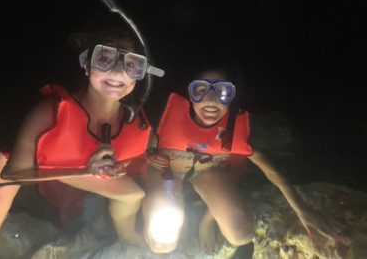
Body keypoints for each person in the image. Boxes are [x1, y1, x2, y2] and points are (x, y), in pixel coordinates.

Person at [0, 26, 162, 258]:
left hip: (72, 189)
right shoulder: (50, 111)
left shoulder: (137, 123)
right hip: (10, 171)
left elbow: (137, 176)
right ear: (86, 64)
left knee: (133, 194)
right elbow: (14, 173)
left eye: (130, 65)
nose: (118, 73)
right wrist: (82, 170)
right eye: (104, 59)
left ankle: (127, 235)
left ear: (142, 73)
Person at [144, 62, 340, 254]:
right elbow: (137, 140)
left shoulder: (234, 128)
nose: (211, 101)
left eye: (222, 92)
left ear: (232, 97)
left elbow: (269, 169)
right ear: (190, 93)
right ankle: (179, 210)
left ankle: (208, 218)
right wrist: (148, 155)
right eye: (201, 90)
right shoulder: (165, 111)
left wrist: (301, 209)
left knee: (241, 235)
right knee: (162, 244)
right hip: (167, 175)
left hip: (205, 174)